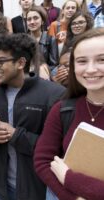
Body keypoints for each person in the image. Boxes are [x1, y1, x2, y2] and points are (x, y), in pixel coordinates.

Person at [0, 33, 65, 200]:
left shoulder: (54, 95)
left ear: (20, 63)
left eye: (0, 62)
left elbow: (59, 150)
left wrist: (16, 135)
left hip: (36, 188)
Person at [34, 28, 104, 200]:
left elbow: (63, 174)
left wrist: (69, 178)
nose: (91, 69)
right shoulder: (63, 109)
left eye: (101, 60)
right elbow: (42, 161)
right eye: (81, 61)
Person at [27, 6, 58, 72]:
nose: (32, 22)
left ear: (42, 21)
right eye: (29, 19)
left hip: (45, 76)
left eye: (36, 18)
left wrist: (40, 71)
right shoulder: (23, 40)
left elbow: (53, 65)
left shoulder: (51, 39)